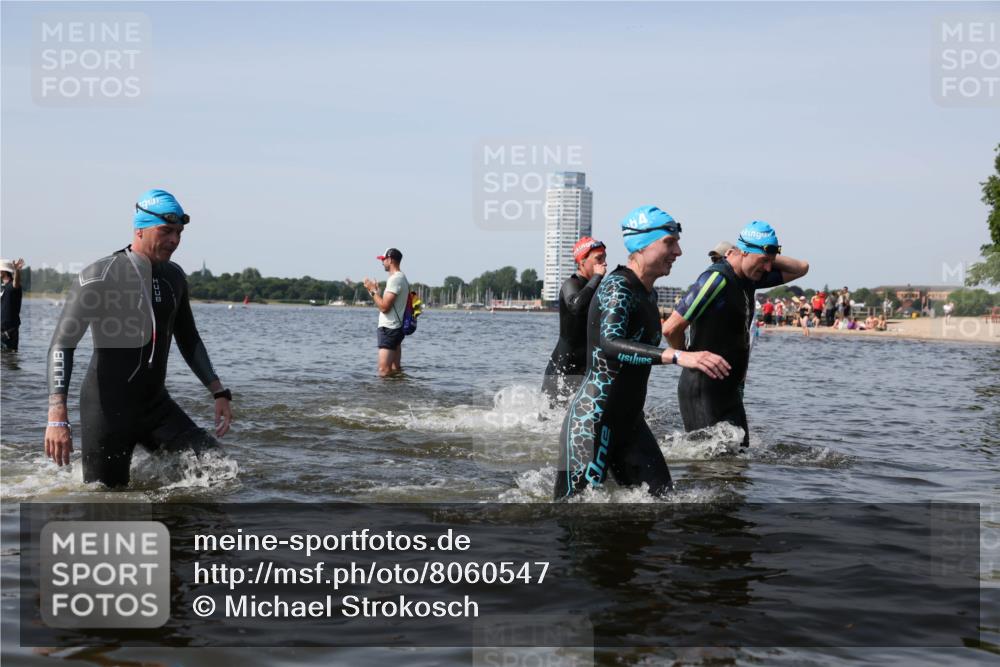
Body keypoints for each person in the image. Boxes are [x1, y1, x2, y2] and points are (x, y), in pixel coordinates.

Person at [44, 189, 233, 487]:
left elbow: (189, 337)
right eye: (166, 231)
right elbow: (62, 344)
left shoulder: (175, 277)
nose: (174, 240)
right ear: (140, 228)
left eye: (179, 233)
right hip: (107, 410)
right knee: (108, 500)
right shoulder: (100, 275)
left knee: (217, 469)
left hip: (156, 406)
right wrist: (57, 415)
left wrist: (218, 391)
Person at [554, 206, 730, 500]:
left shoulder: (646, 291)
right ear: (643, 244)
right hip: (592, 423)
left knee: (663, 504)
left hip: (630, 423)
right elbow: (610, 343)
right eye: (669, 243)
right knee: (573, 520)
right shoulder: (617, 287)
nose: (679, 252)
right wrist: (676, 356)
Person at [663, 220, 809, 449]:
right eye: (763, 261)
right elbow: (671, 327)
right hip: (703, 388)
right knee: (709, 469)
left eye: (771, 263)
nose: (768, 269)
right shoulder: (716, 279)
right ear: (741, 253)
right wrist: (686, 357)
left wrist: (766, 254)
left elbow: (802, 267)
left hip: (729, 389)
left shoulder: (750, 278)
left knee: (738, 462)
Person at [541, 236, 607, 403]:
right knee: (550, 421)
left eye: (604, 258)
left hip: (586, 365)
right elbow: (576, 306)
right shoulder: (571, 284)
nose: (604, 264)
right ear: (582, 261)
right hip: (563, 365)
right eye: (598, 259)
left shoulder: (596, 289)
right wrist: (597, 277)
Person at [363, 247, 409, 377]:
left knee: (384, 370)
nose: (382, 262)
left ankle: (385, 397)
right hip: (396, 328)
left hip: (389, 329)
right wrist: (375, 292)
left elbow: (384, 307)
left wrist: (372, 291)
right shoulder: (401, 278)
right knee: (395, 369)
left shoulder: (395, 279)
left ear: (390, 260)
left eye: (383, 260)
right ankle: (396, 395)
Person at [1, 258, 25, 352]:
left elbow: (16, 283)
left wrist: (17, 271)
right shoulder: (2, 287)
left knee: (9, 361)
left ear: (4, 271)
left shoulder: (13, 286)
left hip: (9, 332)